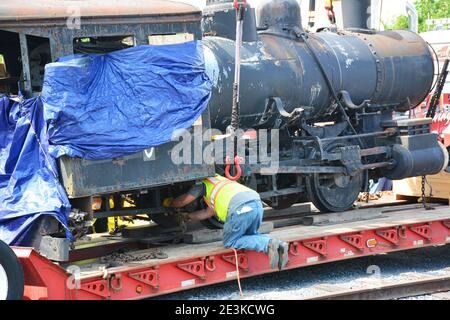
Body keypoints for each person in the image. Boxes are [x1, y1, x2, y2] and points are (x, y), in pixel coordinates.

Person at [163, 174, 289, 270]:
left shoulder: (202, 184)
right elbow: (206, 213)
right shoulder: (220, 181)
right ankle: (278, 245)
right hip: (256, 203)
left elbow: (183, 201)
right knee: (250, 237)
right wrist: (187, 216)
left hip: (240, 209)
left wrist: (170, 203)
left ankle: (269, 244)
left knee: (231, 241)